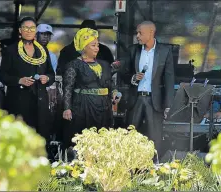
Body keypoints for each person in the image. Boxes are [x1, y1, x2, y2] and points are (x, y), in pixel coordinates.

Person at [119, 21, 174, 158]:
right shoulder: (133, 50)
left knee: (155, 135)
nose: (137, 36)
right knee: (130, 133)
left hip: (154, 100)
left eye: (140, 33)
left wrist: (168, 105)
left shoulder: (164, 51)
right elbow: (122, 73)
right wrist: (132, 78)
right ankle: (129, 165)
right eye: (137, 33)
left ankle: (154, 165)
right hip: (136, 99)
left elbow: (169, 79)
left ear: (151, 32)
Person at [0, 17, 55, 142]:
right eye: (26, 27)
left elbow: (51, 73)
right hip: (19, 100)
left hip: (40, 100)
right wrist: (19, 80)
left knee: (40, 136)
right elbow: (2, 75)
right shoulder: (10, 50)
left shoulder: (43, 50)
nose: (29, 31)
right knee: (19, 137)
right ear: (20, 30)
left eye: (32, 28)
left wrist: (47, 78)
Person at [62, 28, 118, 150]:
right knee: (83, 138)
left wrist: (114, 93)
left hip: (104, 107)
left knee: (102, 138)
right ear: (84, 47)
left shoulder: (104, 64)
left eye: (97, 45)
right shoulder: (74, 65)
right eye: (93, 45)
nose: (97, 48)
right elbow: (68, 87)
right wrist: (67, 109)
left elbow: (109, 84)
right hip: (83, 106)